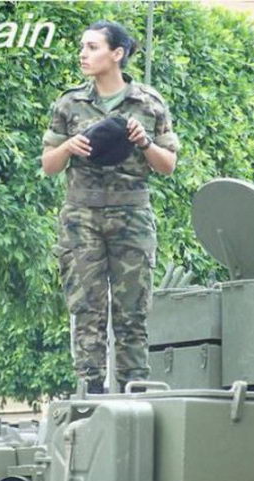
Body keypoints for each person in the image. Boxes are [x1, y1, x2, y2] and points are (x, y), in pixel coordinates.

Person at [41, 20, 180, 394]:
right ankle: (90, 392)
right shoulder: (69, 103)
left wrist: (145, 142)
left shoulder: (148, 103)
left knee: (131, 312)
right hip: (81, 216)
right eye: (82, 47)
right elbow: (48, 165)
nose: (83, 54)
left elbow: (168, 165)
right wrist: (67, 147)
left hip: (131, 215)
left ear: (117, 54)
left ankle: (135, 393)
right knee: (87, 310)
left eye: (92, 47)